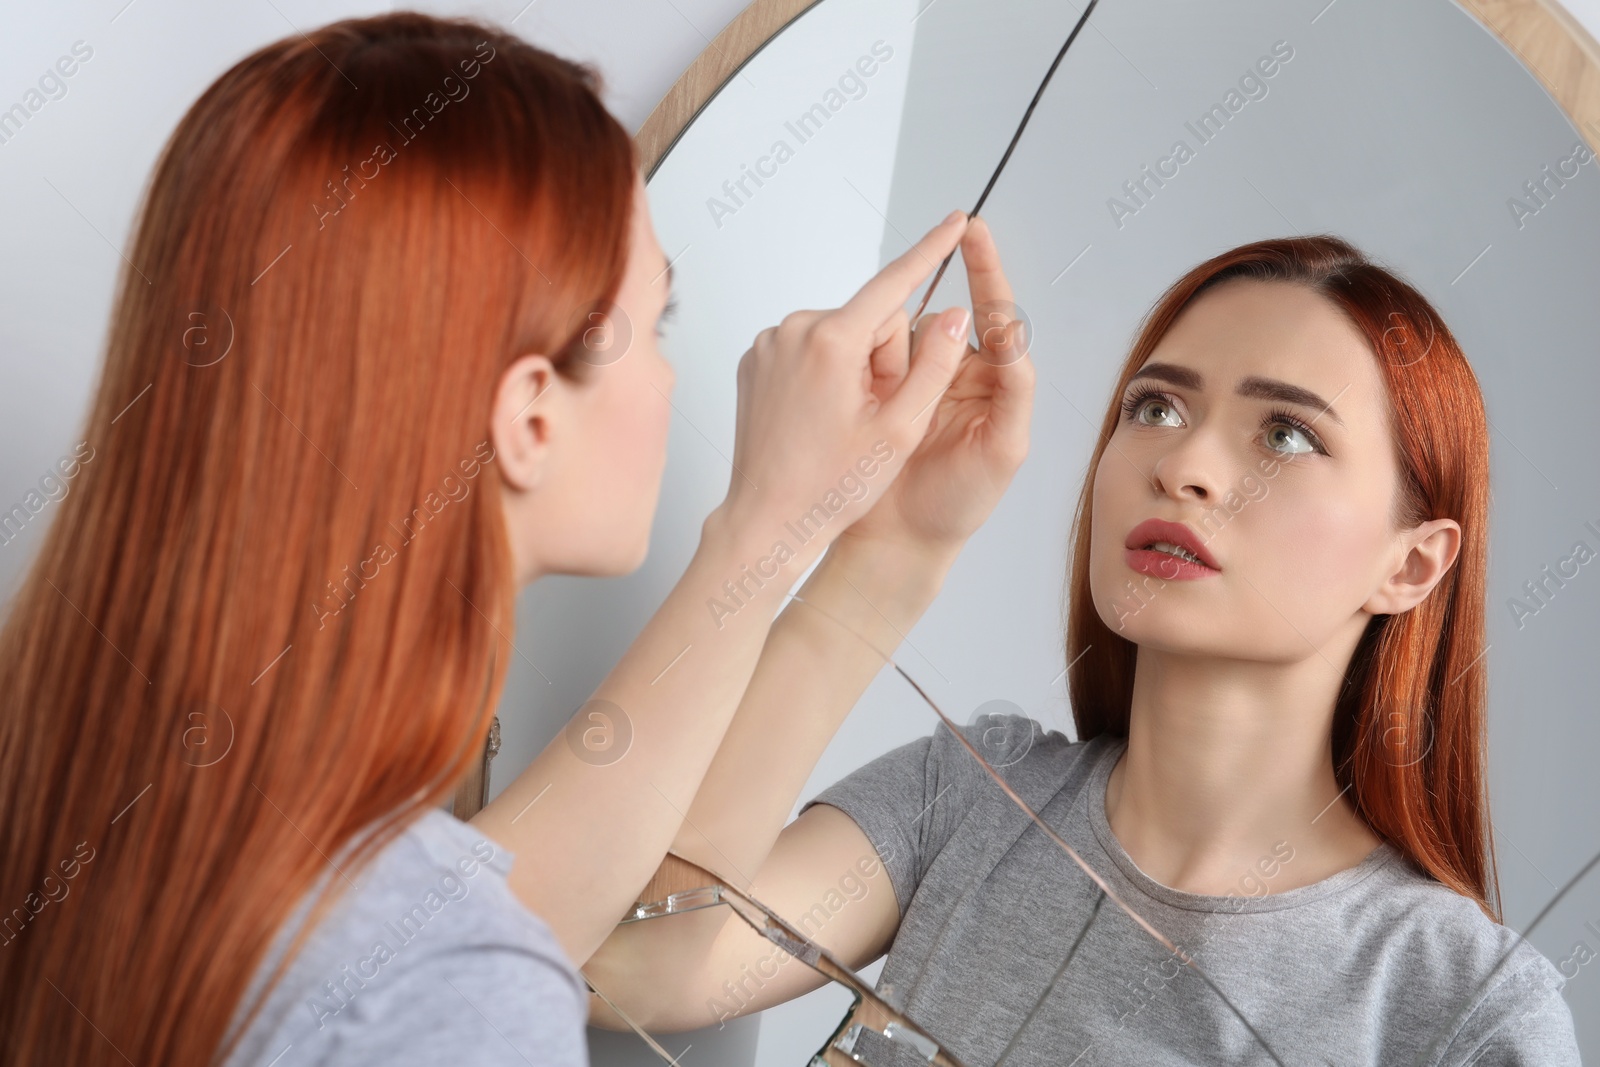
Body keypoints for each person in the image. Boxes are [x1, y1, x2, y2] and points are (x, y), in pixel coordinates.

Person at [0, 11, 1030, 1066]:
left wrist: (808, 533)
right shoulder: (450, 985)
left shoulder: (86, 799)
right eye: (655, 324)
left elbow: (482, 912)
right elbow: (451, 956)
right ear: (531, 415)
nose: (673, 376)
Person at [579, 238, 1585, 1064]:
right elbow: (633, 967)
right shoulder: (970, 796)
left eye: (1283, 434)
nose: (1184, 464)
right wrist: (884, 557)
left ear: (1412, 565)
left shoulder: (1463, 1007)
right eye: (1155, 408)